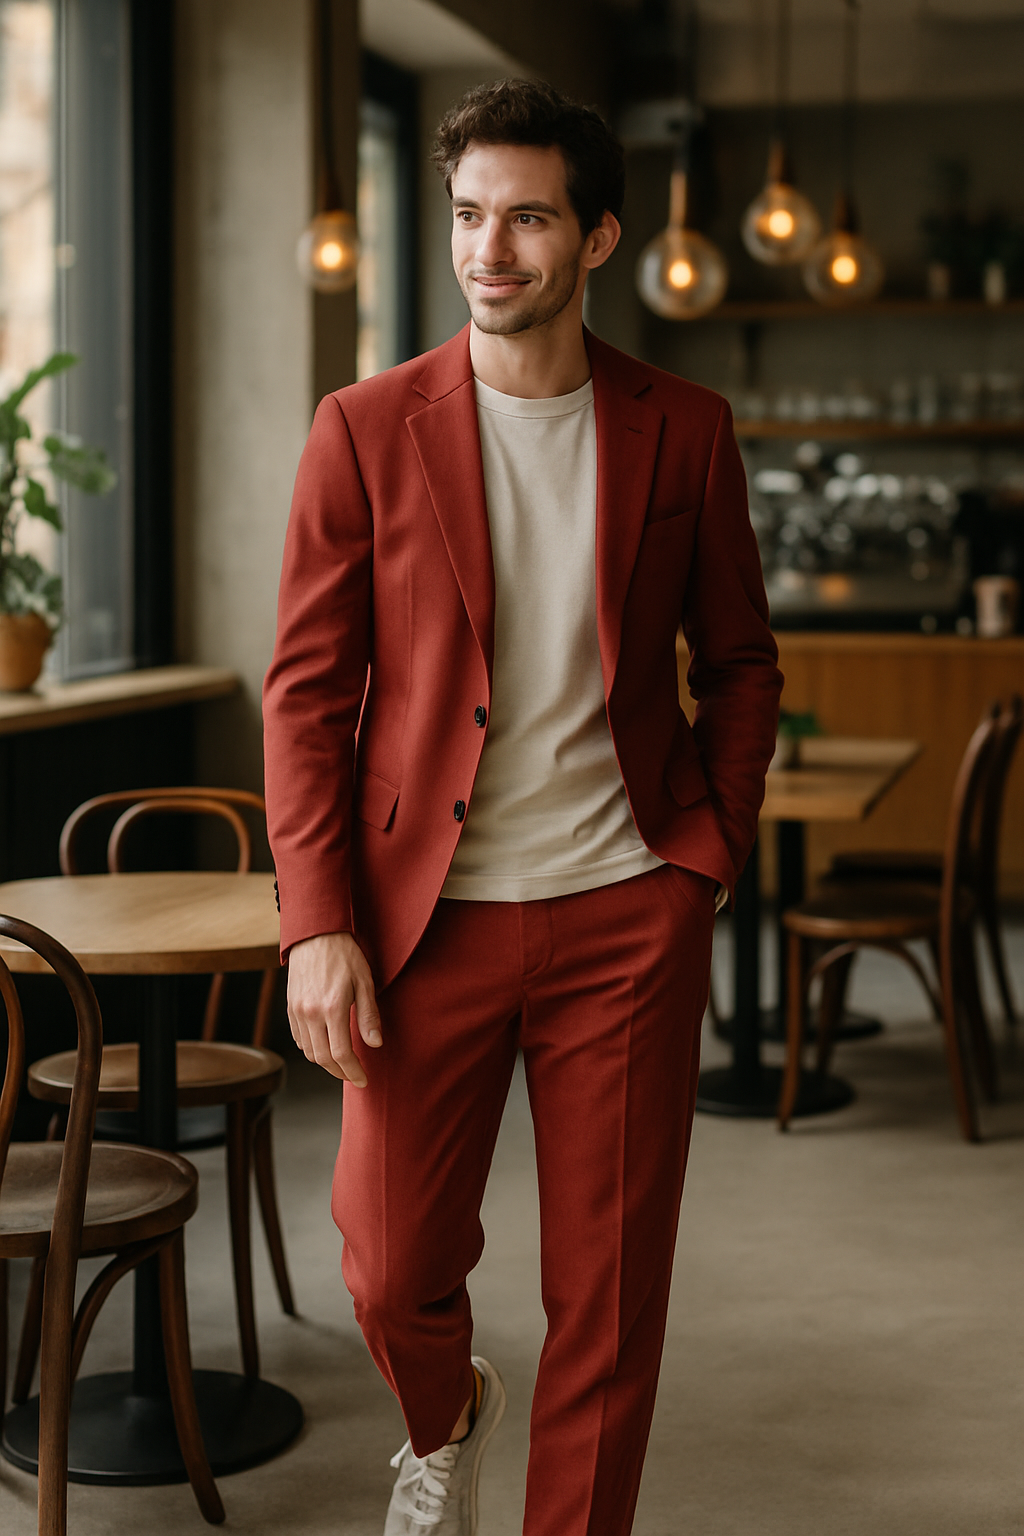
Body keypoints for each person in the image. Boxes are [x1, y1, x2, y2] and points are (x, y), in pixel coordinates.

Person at [263, 77, 782, 1536]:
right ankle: (443, 1420)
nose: (489, 249)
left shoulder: (683, 429)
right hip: (424, 922)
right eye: (469, 216)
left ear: (601, 236)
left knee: (607, 1299)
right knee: (384, 1264)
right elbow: (305, 695)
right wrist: (316, 923)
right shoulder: (365, 429)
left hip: (627, 911)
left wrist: (706, 860)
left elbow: (740, 663)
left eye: (529, 217)